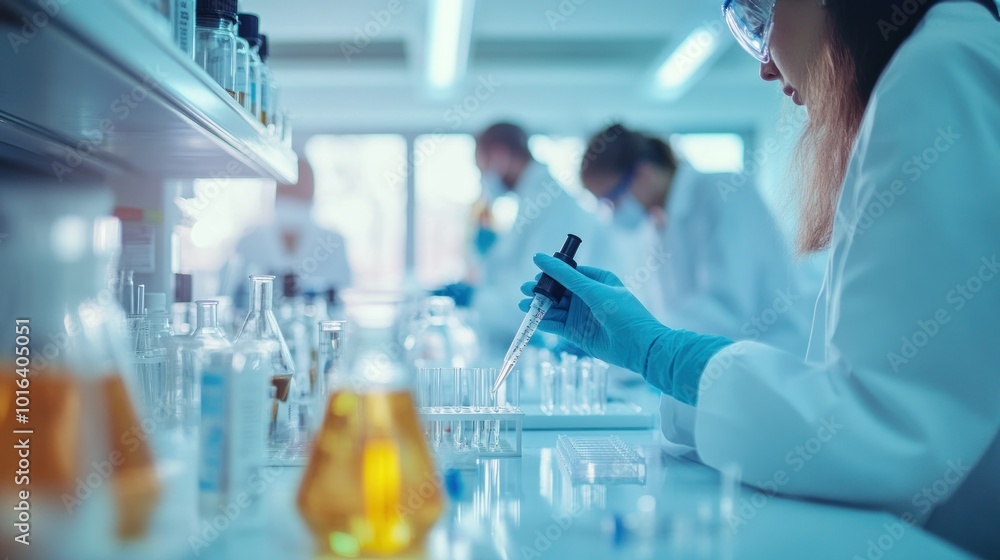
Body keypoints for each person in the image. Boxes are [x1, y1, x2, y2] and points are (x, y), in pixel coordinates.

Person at [519, 0, 1000, 556]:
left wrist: (662, 353)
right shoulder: (923, 72)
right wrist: (656, 355)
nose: (765, 65)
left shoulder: (940, 69)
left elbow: (891, 432)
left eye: (759, 18)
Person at [581, 123, 816, 353]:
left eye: (612, 198)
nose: (611, 211)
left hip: (771, 357)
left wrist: (639, 337)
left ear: (643, 173)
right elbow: (663, 308)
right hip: (715, 362)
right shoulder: (655, 224)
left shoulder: (725, 192)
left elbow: (727, 307)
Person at [467, 122, 607, 356]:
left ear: (500, 156)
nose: (485, 179)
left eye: (484, 168)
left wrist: (474, 298)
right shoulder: (532, 199)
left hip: (555, 343)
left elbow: (535, 292)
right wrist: (490, 259)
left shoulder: (549, 201)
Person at [221, 157, 352, 304]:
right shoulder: (249, 241)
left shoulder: (332, 242)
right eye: (288, 186)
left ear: (313, 189)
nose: (294, 191)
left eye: (301, 187)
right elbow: (226, 292)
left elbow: (342, 293)